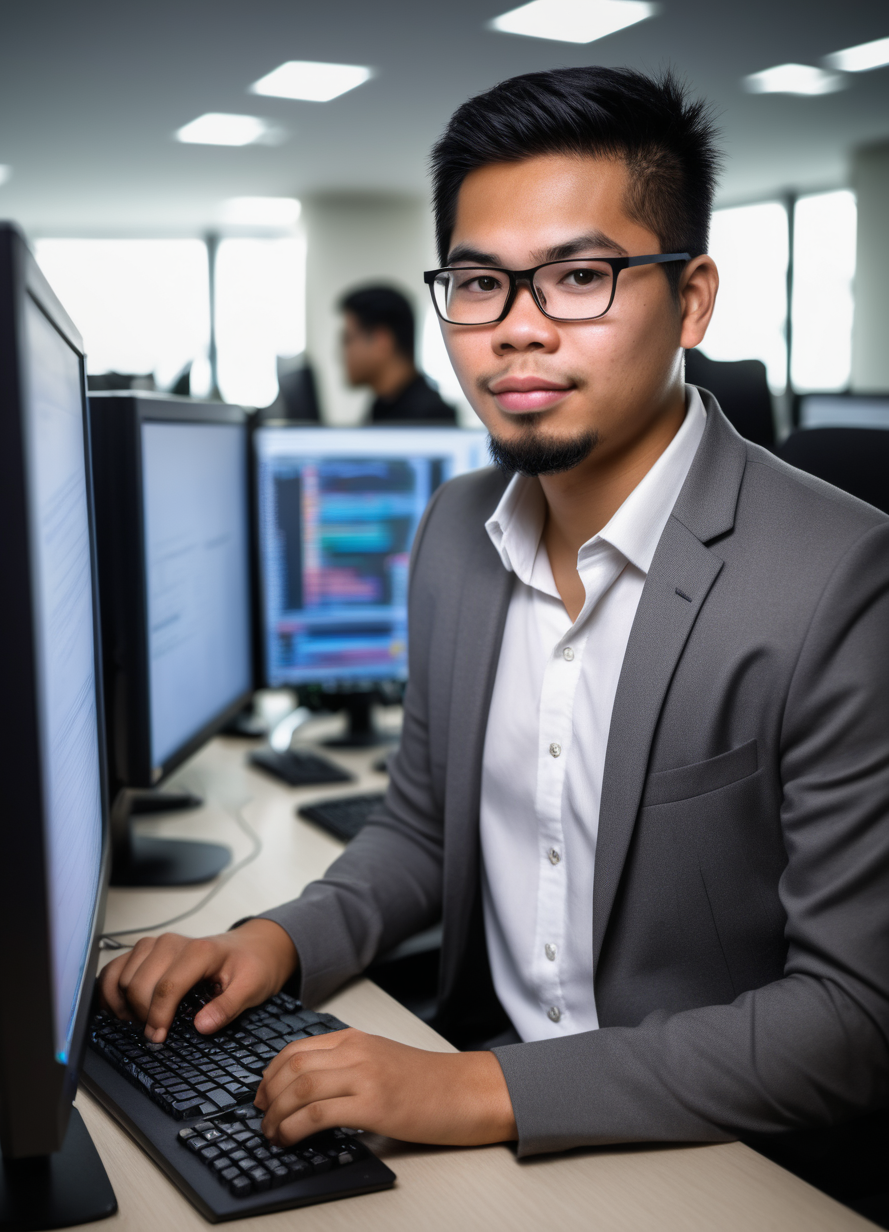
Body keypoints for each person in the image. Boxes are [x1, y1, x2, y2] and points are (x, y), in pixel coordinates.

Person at [99, 67, 889, 1159]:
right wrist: (278, 938)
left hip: (712, 1151)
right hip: (481, 1105)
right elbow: (421, 829)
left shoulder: (839, 578)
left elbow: (850, 1019)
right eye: (478, 284)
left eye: (578, 276)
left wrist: (482, 1090)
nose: (516, 330)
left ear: (692, 298)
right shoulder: (455, 532)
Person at [339, 284, 457, 424]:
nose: (340, 354)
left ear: (381, 341)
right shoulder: (381, 407)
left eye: (347, 339)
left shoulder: (431, 418)